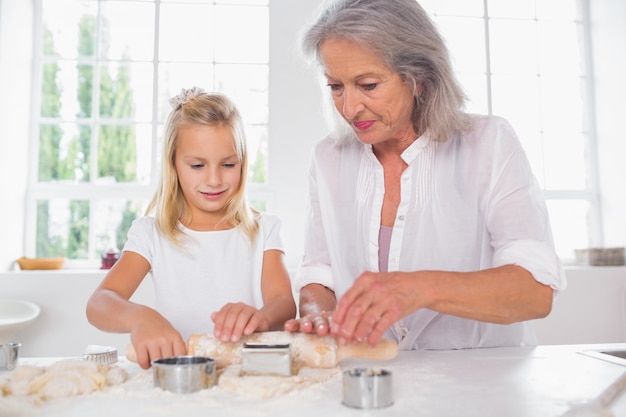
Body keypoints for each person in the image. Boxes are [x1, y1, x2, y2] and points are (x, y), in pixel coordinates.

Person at [284, 0, 566, 351]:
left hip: (484, 386)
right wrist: (317, 315)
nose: (349, 108)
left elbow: (534, 293)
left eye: (368, 85)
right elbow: (319, 274)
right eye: (336, 86)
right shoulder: (327, 158)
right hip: (374, 382)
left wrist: (420, 288)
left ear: (420, 79)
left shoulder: (489, 143)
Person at [87, 88, 296, 369]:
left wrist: (260, 317)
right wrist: (141, 318)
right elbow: (99, 302)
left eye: (228, 164)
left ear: (243, 162)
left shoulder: (264, 229)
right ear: (173, 164)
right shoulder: (151, 234)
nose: (214, 179)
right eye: (197, 165)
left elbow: (283, 302)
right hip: (181, 379)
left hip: (249, 375)